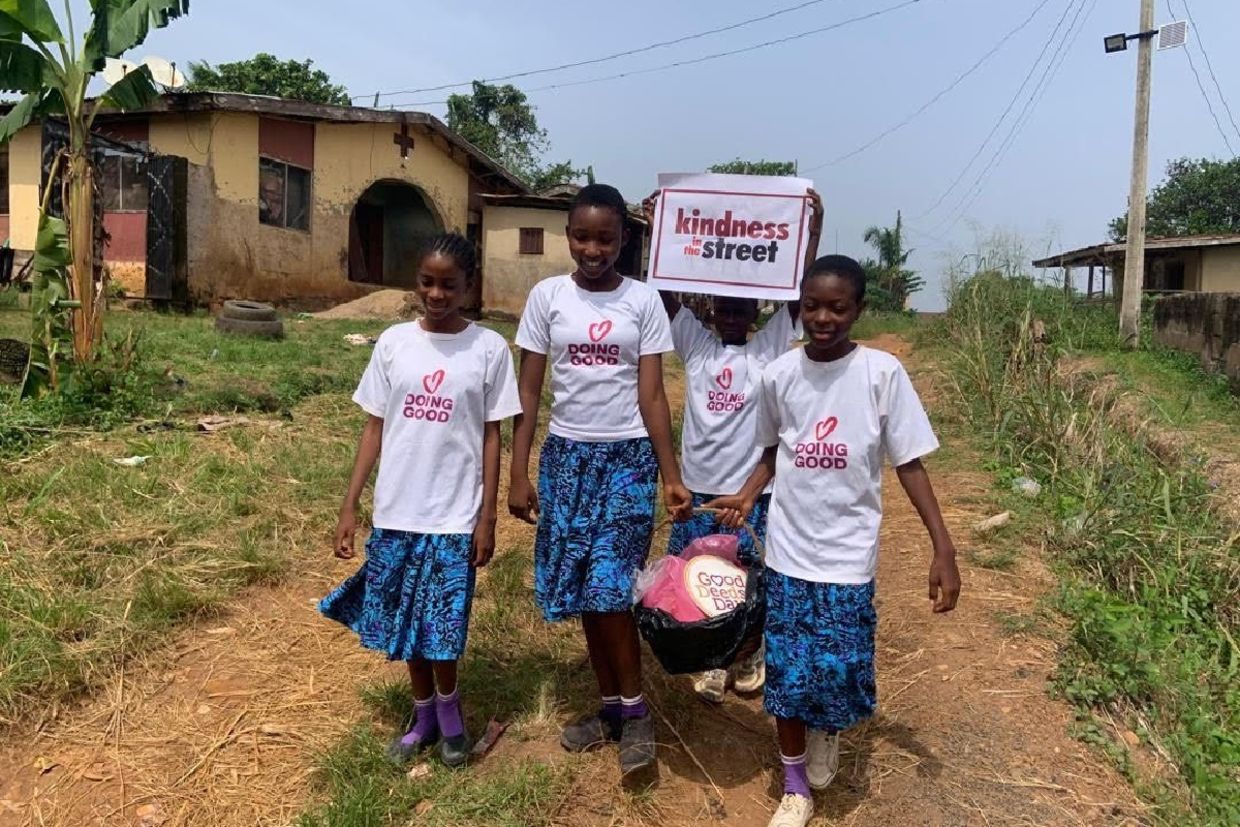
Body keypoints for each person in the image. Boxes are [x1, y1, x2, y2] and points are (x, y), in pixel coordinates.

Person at [708, 255, 961, 827]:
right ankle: (795, 785)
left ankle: (826, 729)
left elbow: (909, 463)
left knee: (839, 668)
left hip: (848, 555)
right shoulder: (779, 375)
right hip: (789, 551)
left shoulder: (881, 374)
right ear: (798, 309)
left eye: (837, 308)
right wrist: (746, 495)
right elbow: (773, 451)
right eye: (812, 307)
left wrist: (942, 546)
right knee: (788, 670)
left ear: (858, 310)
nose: (823, 318)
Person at [509, 183, 692, 783]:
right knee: (587, 593)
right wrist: (518, 471)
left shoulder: (644, 300)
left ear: (623, 240)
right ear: (568, 236)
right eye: (583, 237)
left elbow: (653, 394)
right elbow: (528, 391)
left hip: (629, 460)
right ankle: (611, 708)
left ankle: (637, 715)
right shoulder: (547, 297)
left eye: (606, 239)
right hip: (567, 461)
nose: (593, 250)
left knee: (611, 588)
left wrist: (670, 476)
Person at [320, 233, 522, 769]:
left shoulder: (488, 349)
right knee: (407, 622)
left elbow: (492, 437)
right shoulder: (393, 343)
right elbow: (374, 427)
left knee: (444, 627)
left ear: (468, 286)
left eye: (449, 285)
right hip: (397, 510)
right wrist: (350, 504)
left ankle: (452, 716)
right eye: (427, 283)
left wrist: (487, 516)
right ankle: (423, 716)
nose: (436, 294)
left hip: (454, 514)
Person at [641, 188, 823, 703]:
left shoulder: (767, 350)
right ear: (714, 311)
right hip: (697, 491)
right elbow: (665, 296)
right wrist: (658, 231)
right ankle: (710, 658)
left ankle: (746, 654)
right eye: (725, 308)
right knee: (699, 576)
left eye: (741, 309)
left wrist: (811, 232)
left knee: (745, 577)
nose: (732, 316)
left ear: (754, 314)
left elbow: (798, 293)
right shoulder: (697, 347)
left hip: (748, 495)